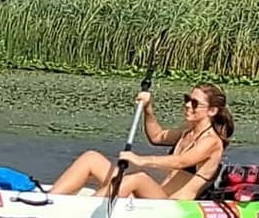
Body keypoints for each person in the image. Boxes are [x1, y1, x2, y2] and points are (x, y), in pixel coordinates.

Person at [50, 83, 234, 200]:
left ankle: (81, 212)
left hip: (173, 206)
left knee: (139, 178)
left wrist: (141, 160)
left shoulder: (211, 141)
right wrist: (148, 108)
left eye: (194, 103)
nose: (187, 105)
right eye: (187, 99)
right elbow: (157, 136)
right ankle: (51, 200)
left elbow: (181, 161)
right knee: (91, 158)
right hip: (157, 195)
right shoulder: (187, 132)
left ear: (212, 111)